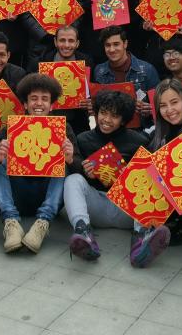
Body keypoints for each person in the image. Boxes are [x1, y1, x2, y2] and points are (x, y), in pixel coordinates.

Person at [0, 73, 78, 253]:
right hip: (17, 194)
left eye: (44, 99)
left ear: (52, 105)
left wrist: (71, 159)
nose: (39, 103)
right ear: (25, 103)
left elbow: (80, 166)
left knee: (64, 166)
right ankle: (11, 222)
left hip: (47, 195)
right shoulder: (12, 126)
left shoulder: (64, 128)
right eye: (34, 99)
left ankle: (43, 223)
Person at [65, 90, 149, 262]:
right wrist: (84, 172)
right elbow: (77, 178)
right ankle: (83, 232)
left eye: (114, 116)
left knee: (147, 178)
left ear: (123, 120)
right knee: (72, 180)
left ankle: (142, 238)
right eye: (103, 113)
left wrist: (130, 176)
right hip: (96, 208)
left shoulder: (139, 141)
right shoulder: (83, 139)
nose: (107, 120)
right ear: (96, 113)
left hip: (128, 211)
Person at [134, 79, 182, 265]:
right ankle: (142, 236)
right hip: (174, 191)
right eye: (163, 106)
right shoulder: (162, 127)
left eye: (174, 102)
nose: (169, 110)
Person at [92, 26, 159, 130]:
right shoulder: (99, 71)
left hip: (139, 130)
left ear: (125, 44)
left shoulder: (147, 70)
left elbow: (159, 106)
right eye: (108, 45)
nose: (112, 49)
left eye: (116, 44)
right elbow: (97, 106)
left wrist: (149, 110)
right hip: (108, 129)